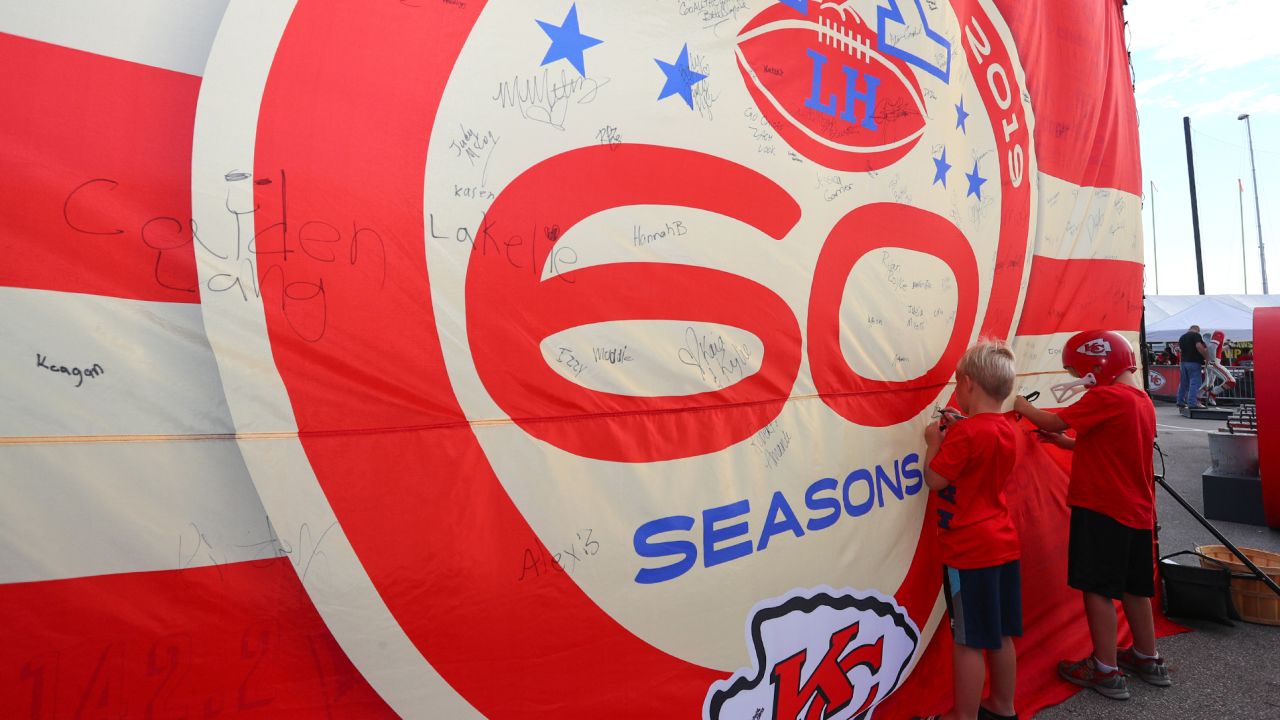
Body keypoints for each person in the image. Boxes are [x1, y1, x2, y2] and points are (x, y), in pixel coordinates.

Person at [1014, 330, 1170, 701]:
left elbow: (1054, 421)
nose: (1076, 380)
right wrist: (1067, 445)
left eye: (1076, 371)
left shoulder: (1107, 396)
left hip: (1103, 508)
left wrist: (1019, 404)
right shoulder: (1140, 399)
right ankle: (1148, 658)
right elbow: (1110, 444)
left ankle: (1104, 669)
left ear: (1095, 366)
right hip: (1136, 510)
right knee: (1135, 587)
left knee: (1097, 588)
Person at [917, 340, 1021, 720]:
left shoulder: (964, 434)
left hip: (969, 549)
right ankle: (1002, 706)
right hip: (1003, 543)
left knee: (969, 642)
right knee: (1001, 633)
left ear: (969, 385)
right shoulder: (1006, 429)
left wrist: (933, 442)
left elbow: (935, 479)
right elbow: (983, 448)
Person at [1176, 325, 1207, 409]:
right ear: (1197, 330)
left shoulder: (1182, 337)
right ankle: (1192, 402)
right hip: (1194, 362)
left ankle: (1180, 401)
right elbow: (1198, 346)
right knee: (1195, 383)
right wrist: (1206, 356)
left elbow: (1181, 349)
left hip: (1183, 362)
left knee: (1183, 383)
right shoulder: (1196, 335)